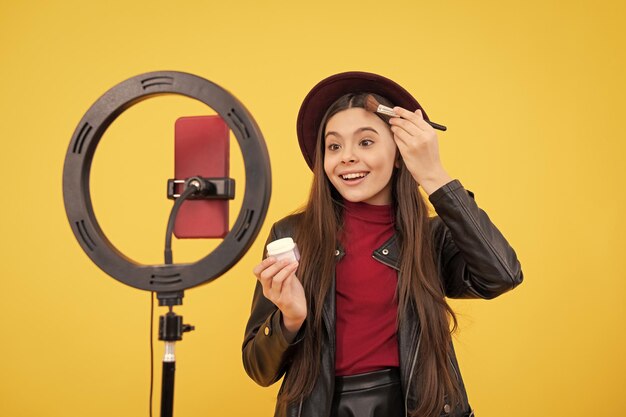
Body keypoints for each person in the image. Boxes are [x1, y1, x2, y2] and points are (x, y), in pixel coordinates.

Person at [242, 71, 523, 417]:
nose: (346, 157)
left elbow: (502, 274)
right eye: (333, 146)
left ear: (400, 154)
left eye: (365, 142)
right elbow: (258, 369)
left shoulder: (430, 237)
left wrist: (434, 174)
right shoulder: (291, 235)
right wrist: (290, 318)